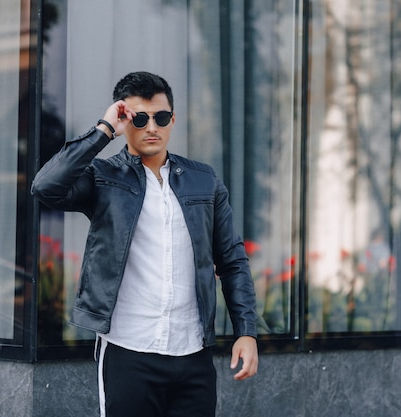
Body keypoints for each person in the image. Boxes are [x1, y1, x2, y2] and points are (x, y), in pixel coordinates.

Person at [31, 71, 258, 417]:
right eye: (139, 118)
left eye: (161, 117)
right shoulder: (104, 177)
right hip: (129, 351)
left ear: (173, 119)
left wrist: (246, 331)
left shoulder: (204, 180)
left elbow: (232, 260)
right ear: (125, 118)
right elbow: (46, 187)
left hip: (193, 354)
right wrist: (104, 130)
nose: (152, 127)